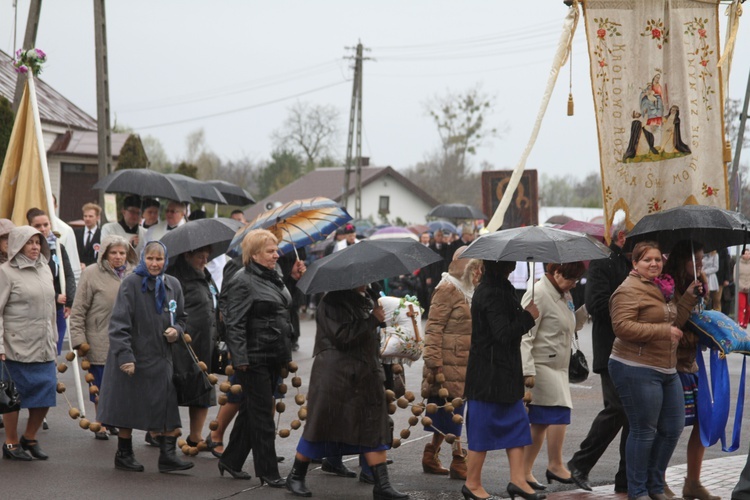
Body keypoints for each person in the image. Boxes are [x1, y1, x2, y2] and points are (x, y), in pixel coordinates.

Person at [285, 284, 408, 500]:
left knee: (372, 427)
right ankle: (296, 475)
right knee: (320, 427)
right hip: (336, 376)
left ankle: (382, 484)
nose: (369, 280)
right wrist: (372, 320)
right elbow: (342, 337)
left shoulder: (366, 297)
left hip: (364, 373)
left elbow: (368, 334)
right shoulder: (332, 300)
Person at [608, 241, 701, 500]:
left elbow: (673, 321)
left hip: (666, 367)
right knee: (644, 430)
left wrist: (689, 297)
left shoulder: (663, 287)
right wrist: (663, 331)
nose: (654, 264)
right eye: (647, 259)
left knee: (672, 427)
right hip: (635, 367)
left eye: (658, 259)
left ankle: (655, 485)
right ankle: (637, 491)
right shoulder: (628, 290)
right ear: (635, 263)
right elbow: (622, 327)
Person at [96, 241, 194, 473]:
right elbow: (119, 323)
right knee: (128, 405)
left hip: (161, 357)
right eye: (150, 258)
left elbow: (181, 317)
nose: (154, 263)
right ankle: (124, 453)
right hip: (134, 355)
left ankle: (168, 456)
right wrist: (125, 356)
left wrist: (177, 331)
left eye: (159, 259)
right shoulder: (131, 283)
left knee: (168, 404)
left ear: (165, 260)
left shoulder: (173, 285)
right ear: (142, 259)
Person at [219, 229, 304, 484]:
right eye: (270, 251)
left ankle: (231, 459)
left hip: (273, 353)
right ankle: (268, 472)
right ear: (254, 254)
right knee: (262, 415)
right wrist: (241, 359)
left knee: (250, 410)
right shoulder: (241, 280)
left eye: (276, 250)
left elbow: (283, 305)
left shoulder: (274, 274)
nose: (276, 255)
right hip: (253, 357)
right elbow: (233, 323)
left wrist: (293, 279)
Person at [462, 259, 542, 500]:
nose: (513, 267)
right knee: (482, 432)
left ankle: (518, 480)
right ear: (501, 266)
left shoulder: (501, 288)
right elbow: (503, 333)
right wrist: (528, 317)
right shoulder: (491, 292)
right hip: (489, 376)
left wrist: (523, 313)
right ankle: (472, 483)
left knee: (518, 426)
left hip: (504, 373)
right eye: (510, 264)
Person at [567, 221, 632, 493]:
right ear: (621, 237)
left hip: (634, 349)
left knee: (632, 417)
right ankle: (579, 464)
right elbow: (595, 303)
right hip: (610, 348)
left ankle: (626, 478)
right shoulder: (602, 263)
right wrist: (630, 310)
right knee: (616, 410)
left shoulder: (632, 264)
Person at [520, 262, 586, 490]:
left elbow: (570, 325)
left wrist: (585, 311)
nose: (574, 284)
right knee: (554, 414)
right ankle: (554, 465)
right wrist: (527, 370)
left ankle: (526, 471)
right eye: (570, 278)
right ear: (555, 272)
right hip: (541, 366)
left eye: (576, 279)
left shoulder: (562, 292)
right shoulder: (538, 293)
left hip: (558, 365)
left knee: (541, 421)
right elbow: (525, 335)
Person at [662, 241, 718, 500]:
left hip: (693, 365)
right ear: (680, 260)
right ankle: (657, 479)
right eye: (694, 261)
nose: (699, 266)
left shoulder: (699, 286)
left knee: (702, 422)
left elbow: (703, 319)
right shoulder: (668, 288)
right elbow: (672, 327)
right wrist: (698, 338)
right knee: (669, 426)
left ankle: (693, 482)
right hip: (673, 366)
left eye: (701, 261)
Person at [421, 246, 482, 480]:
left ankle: (431, 454)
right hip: (447, 362)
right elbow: (433, 328)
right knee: (453, 409)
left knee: (448, 410)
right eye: (474, 266)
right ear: (461, 263)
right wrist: (434, 362)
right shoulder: (447, 288)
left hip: (463, 360)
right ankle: (459, 460)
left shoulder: (469, 290)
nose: (477, 271)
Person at [69, 235, 137, 440]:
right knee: (100, 381)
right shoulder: (91, 273)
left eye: (122, 253)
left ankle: (112, 419)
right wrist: (78, 339)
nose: (118, 257)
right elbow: (79, 308)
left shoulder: (132, 275)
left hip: (125, 337)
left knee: (122, 383)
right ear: (105, 253)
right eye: (114, 253)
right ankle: (101, 421)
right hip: (98, 335)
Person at [0, 226, 58, 461]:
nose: (35, 246)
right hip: (15, 344)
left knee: (46, 390)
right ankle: (11, 442)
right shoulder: (5, 272)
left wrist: (53, 337)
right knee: (13, 396)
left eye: (37, 242)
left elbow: (51, 308)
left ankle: (29, 437)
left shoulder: (45, 268)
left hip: (43, 343)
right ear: (18, 245)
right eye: (29, 242)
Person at [167, 246, 218, 448]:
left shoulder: (205, 274)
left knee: (203, 387)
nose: (204, 261)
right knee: (173, 388)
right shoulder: (175, 278)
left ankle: (195, 435)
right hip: (183, 343)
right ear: (186, 254)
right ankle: (159, 431)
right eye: (200, 257)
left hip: (205, 342)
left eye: (207, 257)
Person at [27, 208, 76, 356]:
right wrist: (54, 296)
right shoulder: (30, 251)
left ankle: (52, 377)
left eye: (46, 224)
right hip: (39, 307)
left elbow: (68, 274)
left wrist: (69, 301)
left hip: (59, 308)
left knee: (56, 347)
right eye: (38, 226)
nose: (43, 229)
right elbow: (31, 281)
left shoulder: (58, 247)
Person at [74, 202, 102, 269]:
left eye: (90, 216)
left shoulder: (101, 234)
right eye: (85, 216)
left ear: (97, 217)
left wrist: (87, 265)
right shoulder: (76, 233)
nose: (87, 219)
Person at [737, 249, 750, 328]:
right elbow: (736, 277)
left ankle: (746, 322)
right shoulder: (737, 265)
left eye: (749, 254)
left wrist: (748, 286)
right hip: (741, 289)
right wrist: (742, 286)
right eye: (746, 254)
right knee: (741, 306)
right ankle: (740, 322)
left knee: (748, 308)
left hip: (749, 289)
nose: (747, 255)